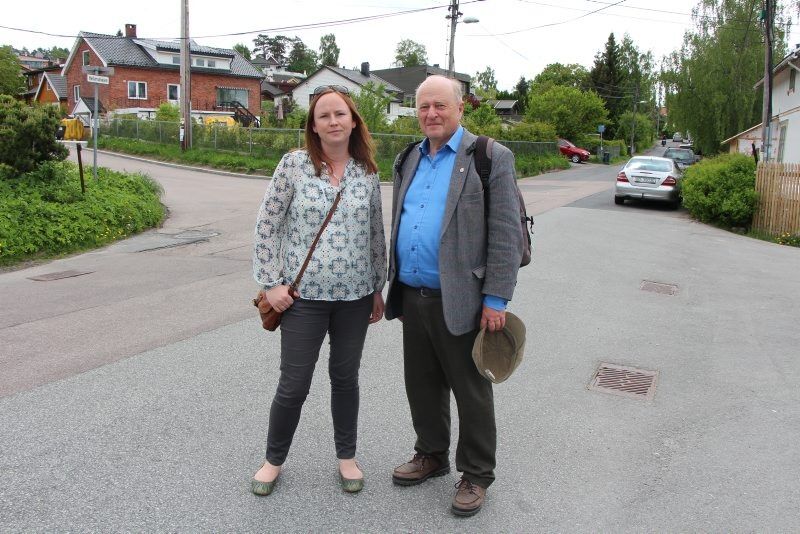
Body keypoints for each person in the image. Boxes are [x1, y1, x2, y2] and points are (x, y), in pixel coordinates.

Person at [384, 75, 524, 517]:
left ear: (460, 108)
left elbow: (505, 233)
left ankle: (477, 472)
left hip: (464, 296)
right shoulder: (408, 157)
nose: (431, 114)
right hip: (413, 294)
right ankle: (431, 454)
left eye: (440, 106)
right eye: (423, 106)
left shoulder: (489, 157)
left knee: (471, 389)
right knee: (421, 385)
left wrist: (496, 298)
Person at [251, 85, 386, 496]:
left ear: (353, 121)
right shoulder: (293, 166)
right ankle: (273, 460)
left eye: (340, 114)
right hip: (302, 300)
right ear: (313, 125)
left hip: (355, 298)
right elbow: (267, 226)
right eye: (324, 115)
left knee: (346, 379)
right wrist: (271, 283)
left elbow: (375, 236)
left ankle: (347, 457)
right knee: (294, 384)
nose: (333, 121)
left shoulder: (367, 172)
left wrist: (378, 287)